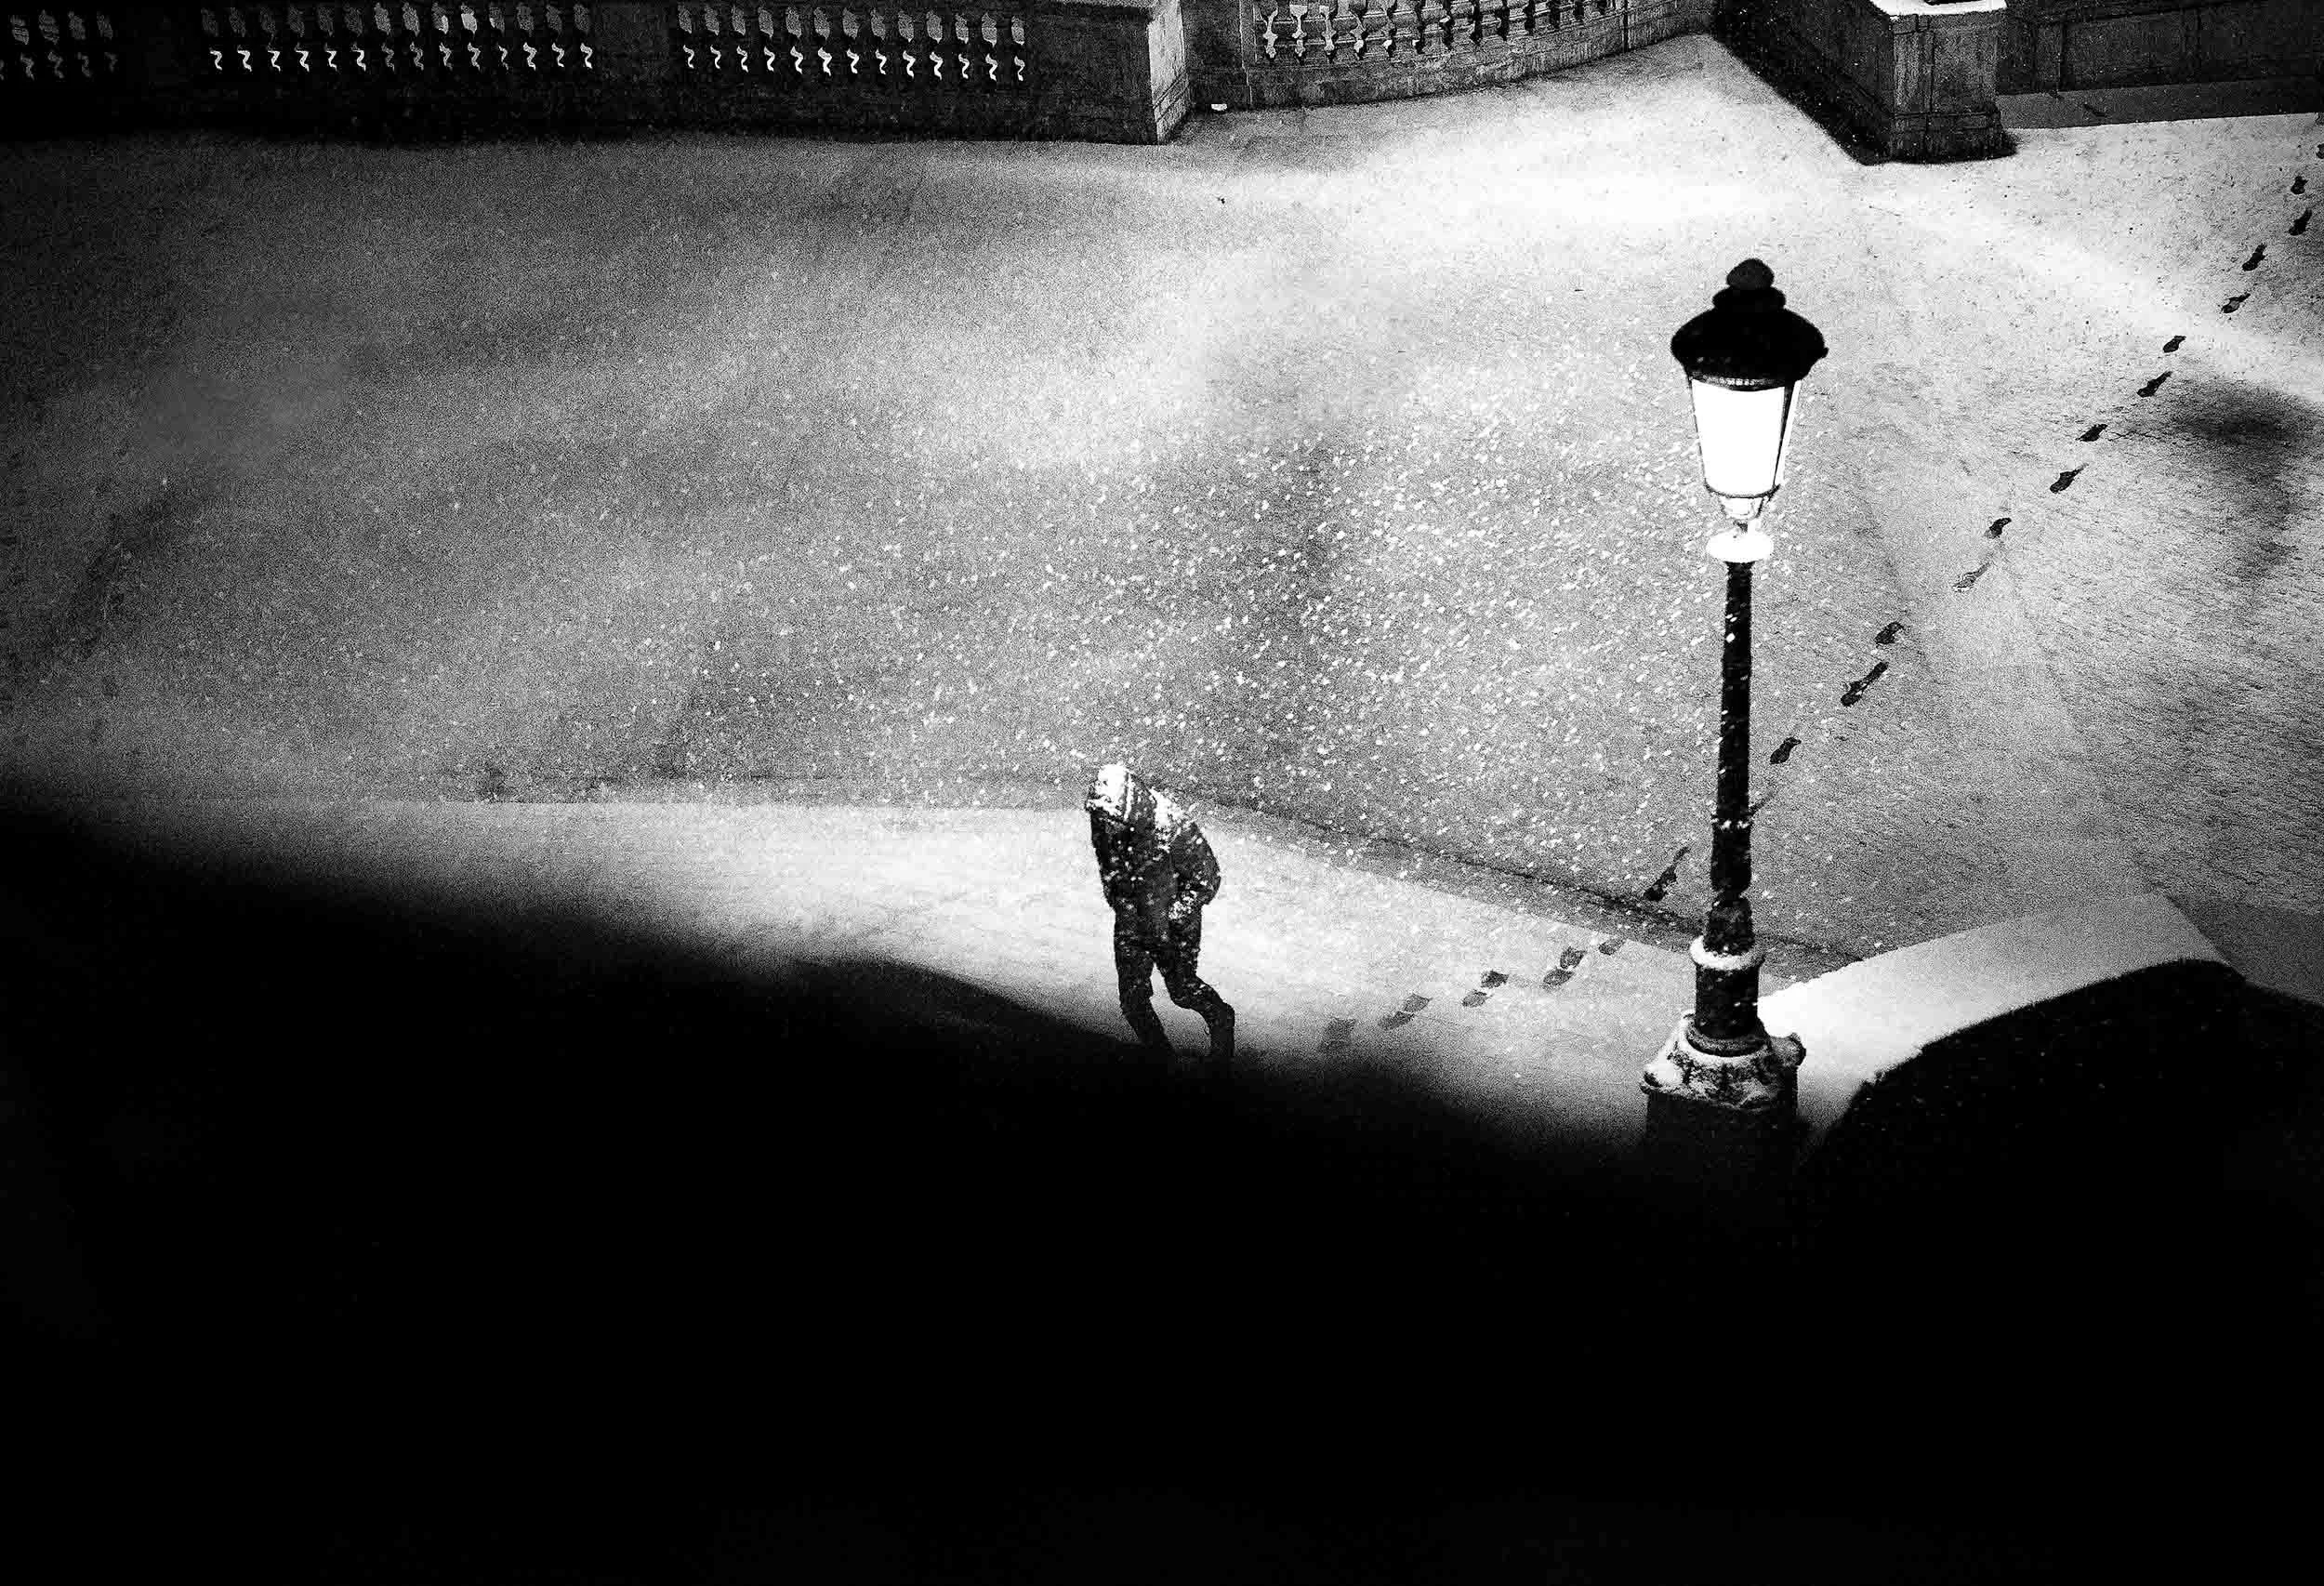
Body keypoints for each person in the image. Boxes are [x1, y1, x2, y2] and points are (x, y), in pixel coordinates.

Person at [1084, 763, 1235, 1067]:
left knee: (1182, 991)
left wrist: (1174, 916)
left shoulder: (1173, 826)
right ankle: (1162, 1059)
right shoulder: (1103, 819)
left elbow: (1207, 879)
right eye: (1102, 818)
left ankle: (1221, 1023)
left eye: (1112, 819)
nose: (1106, 827)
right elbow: (1106, 862)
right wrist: (1118, 896)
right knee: (1132, 1000)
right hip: (1131, 919)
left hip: (1172, 927)